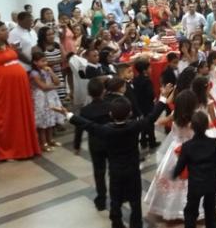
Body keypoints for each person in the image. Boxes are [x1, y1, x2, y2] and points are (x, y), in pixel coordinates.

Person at [68, 84, 173, 228]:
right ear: (130, 113)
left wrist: (68, 114)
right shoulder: (134, 126)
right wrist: (163, 97)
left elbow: (87, 124)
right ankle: (136, 223)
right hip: (133, 170)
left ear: (111, 114)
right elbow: (152, 116)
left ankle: (116, 222)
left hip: (115, 171)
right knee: (135, 199)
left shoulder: (105, 130)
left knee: (115, 199)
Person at [145, 90, 216, 222]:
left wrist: (158, 120)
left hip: (176, 150)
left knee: (175, 179)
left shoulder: (175, 115)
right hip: (194, 150)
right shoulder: (197, 118)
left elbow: (160, 121)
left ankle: (171, 208)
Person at [0, 21, 40, 161]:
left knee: (19, 115)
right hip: (2, 90)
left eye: (6, 29)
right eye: (3, 30)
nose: (6, 32)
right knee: (7, 118)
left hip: (18, 90)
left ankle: (24, 147)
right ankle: (9, 150)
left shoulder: (9, 46)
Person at [172, 111, 216, 228]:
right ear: (207, 125)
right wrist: (215, 174)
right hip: (211, 182)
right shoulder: (214, 143)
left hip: (195, 184)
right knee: (210, 209)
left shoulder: (187, 146)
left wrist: (174, 174)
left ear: (192, 127)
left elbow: (180, 166)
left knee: (191, 211)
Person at [73, 77, 111, 211]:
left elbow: (79, 129)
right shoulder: (110, 106)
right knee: (113, 169)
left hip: (95, 144)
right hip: (110, 141)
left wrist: (77, 146)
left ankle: (101, 199)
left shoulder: (85, 110)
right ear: (104, 91)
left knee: (99, 172)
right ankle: (117, 195)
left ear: (89, 93)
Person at [29, 52, 66, 152]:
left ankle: (50, 140)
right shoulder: (34, 73)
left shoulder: (48, 70)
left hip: (50, 97)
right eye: (42, 61)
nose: (45, 63)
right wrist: (55, 87)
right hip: (40, 98)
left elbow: (57, 81)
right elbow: (43, 87)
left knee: (50, 118)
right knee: (43, 121)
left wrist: (51, 73)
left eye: (46, 60)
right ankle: (43, 143)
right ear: (35, 62)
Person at [133, 59, 159, 149]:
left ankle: (143, 140)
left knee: (144, 122)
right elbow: (150, 94)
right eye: (150, 68)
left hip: (140, 105)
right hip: (148, 105)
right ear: (145, 70)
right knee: (150, 123)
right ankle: (152, 142)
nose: (151, 69)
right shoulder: (147, 81)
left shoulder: (135, 79)